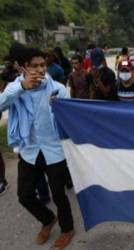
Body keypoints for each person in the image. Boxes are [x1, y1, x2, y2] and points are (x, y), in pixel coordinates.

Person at [0, 47, 74, 249]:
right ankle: (48, 219)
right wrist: (22, 87)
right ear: (23, 67)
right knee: (24, 196)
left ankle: (67, 229)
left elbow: (70, 119)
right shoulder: (14, 89)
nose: (41, 69)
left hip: (54, 150)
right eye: (35, 66)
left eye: (43, 65)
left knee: (59, 195)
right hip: (29, 150)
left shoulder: (58, 88)